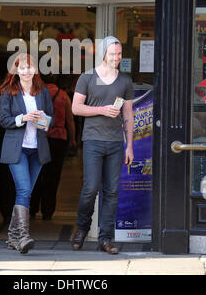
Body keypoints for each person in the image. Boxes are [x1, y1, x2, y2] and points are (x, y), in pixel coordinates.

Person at [71, 36, 134, 254]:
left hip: (116, 143)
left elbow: (128, 115)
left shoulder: (125, 80)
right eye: (112, 53)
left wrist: (130, 146)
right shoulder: (88, 77)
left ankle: (105, 238)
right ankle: (82, 228)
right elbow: (76, 108)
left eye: (119, 53)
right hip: (93, 141)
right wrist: (101, 109)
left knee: (112, 192)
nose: (116, 57)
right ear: (103, 53)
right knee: (90, 189)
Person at [0, 53, 54, 254]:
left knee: (27, 191)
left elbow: (51, 120)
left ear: (35, 70)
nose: (26, 71)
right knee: (23, 190)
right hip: (17, 149)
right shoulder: (8, 92)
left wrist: (42, 119)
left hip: (37, 148)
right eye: (22, 67)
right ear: (15, 71)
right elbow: (4, 120)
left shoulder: (43, 92)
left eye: (30, 67)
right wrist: (24, 117)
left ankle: (13, 237)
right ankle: (22, 236)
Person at [30, 77, 76, 220]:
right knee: (53, 175)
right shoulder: (63, 95)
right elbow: (69, 120)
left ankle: (32, 208)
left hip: (40, 138)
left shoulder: (37, 93)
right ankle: (47, 211)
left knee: (37, 174)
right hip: (58, 139)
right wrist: (72, 139)